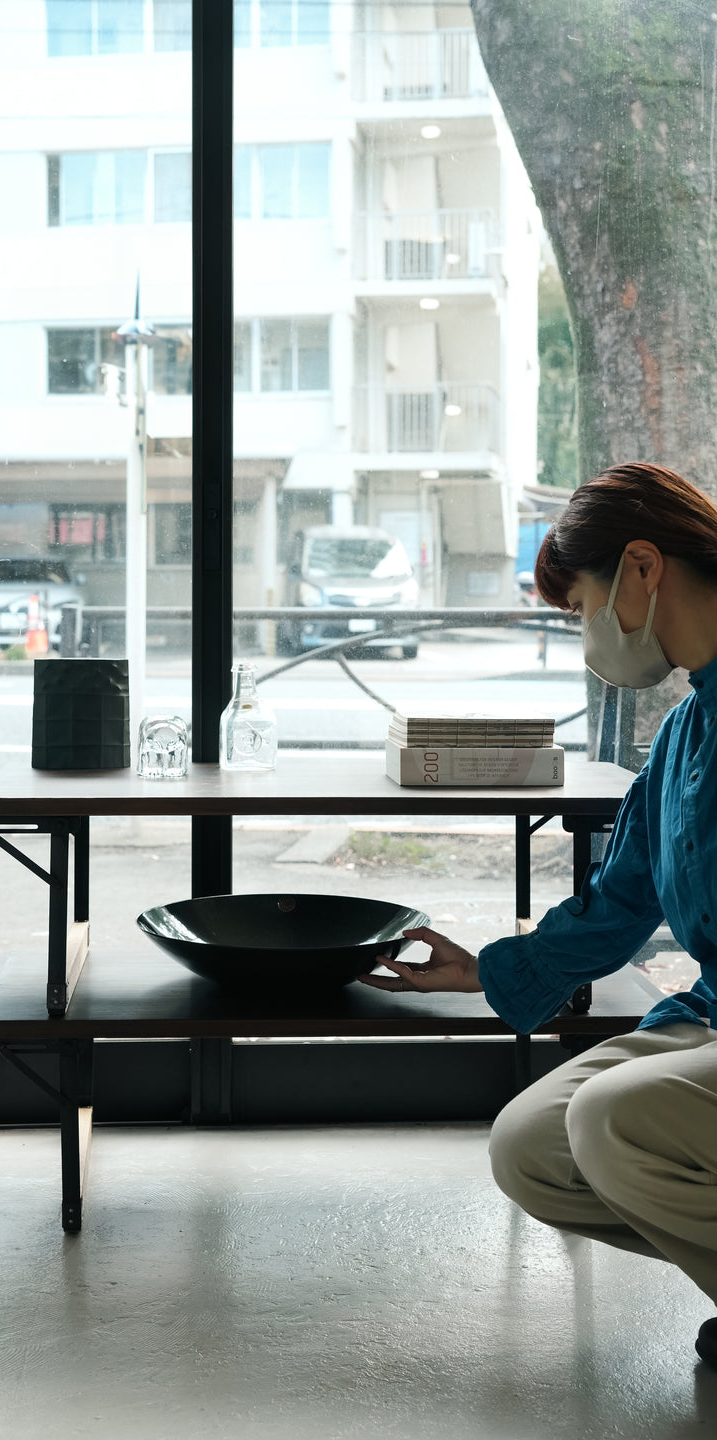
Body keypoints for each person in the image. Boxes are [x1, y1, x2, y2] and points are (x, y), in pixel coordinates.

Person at [358, 462, 717, 1370]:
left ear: (643, 568)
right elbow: (619, 901)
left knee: (612, 1118)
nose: (587, 635)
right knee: (533, 1148)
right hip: (712, 1019)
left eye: (582, 607)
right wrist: (486, 969)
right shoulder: (686, 734)